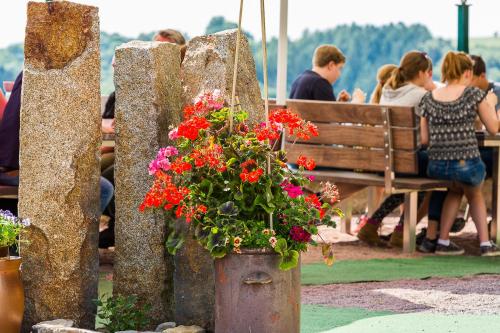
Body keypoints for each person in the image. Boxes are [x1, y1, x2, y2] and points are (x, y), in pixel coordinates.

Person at [0, 71, 114, 217]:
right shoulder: (43, 75)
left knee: (95, 174)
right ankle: (72, 238)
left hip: (20, 161)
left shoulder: (32, 73)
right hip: (21, 167)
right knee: (102, 188)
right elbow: (61, 125)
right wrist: (95, 127)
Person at [420, 51, 500, 256]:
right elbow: (493, 128)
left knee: (456, 190)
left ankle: (443, 242)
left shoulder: (428, 98)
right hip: (466, 164)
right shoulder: (473, 95)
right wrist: (491, 104)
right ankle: (485, 244)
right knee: (474, 194)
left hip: (437, 165)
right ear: (467, 72)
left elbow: (425, 140)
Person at [357, 51, 434, 247]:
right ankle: (403, 230)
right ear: (421, 73)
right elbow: (429, 135)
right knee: (435, 172)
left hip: (386, 160)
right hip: (408, 160)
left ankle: (373, 223)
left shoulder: (387, 91)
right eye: (429, 72)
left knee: (417, 174)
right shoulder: (422, 95)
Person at [289, 44, 366, 103]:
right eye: (340, 68)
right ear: (331, 65)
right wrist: (356, 102)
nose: (339, 74)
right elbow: (334, 121)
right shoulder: (320, 84)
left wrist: (337, 104)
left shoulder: (298, 80)